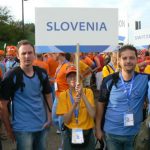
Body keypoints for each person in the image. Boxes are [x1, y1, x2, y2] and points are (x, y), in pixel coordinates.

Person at [0, 40, 52, 150]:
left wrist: (49, 117)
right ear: (18, 56)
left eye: (30, 52)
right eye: (23, 53)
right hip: (22, 129)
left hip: (42, 126)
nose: (27, 56)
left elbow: (48, 95)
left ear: (34, 54)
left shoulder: (41, 73)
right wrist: (8, 129)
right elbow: (3, 105)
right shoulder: (11, 76)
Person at [96, 45, 149, 150]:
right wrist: (98, 129)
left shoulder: (145, 80)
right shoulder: (109, 80)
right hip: (112, 134)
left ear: (137, 59)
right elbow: (100, 105)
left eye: (132, 58)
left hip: (135, 135)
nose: (128, 61)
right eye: (124, 58)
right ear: (119, 60)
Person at [56, 64, 95, 150]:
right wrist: (74, 105)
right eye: (70, 76)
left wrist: (83, 95)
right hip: (70, 133)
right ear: (66, 80)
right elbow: (66, 120)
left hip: (87, 133)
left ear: (80, 78)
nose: (73, 78)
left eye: (75, 76)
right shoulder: (63, 95)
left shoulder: (88, 92)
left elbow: (92, 114)